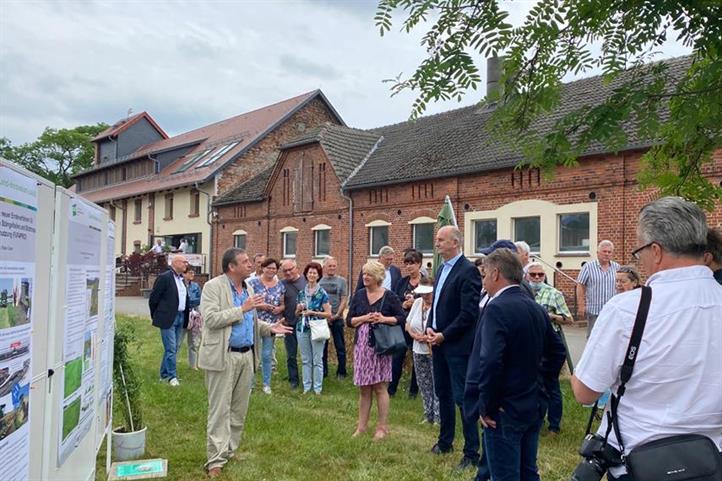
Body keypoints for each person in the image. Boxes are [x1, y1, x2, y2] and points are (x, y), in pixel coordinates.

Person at [572, 196, 722, 481]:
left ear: (656, 250)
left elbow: (584, 392)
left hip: (640, 461)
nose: (638, 260)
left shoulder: (627, 308)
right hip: (710, 459)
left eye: (638, 251)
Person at [466, 249, 566, 481]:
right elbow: (557, 350)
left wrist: (487, 405)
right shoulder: (536, 308)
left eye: (484, 274)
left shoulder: (496, 308)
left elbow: (490, 361)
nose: (483, 281)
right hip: (531, 403)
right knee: (528, 472)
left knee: (506, 474)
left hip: (504, 409)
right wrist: (543, 386)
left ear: (496, 273)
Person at [199, 248, 291, 478]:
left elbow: (252, 321)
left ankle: (229, 450)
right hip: (224, 355)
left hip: (246, 355)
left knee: (239, 409)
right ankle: (215, 460)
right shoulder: (213, 287)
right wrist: (242, 308)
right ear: (232, 266)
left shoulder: (247, 288)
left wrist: (269, 328)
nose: (251, 264)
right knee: (220, 409)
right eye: (245, 261)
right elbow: (210, 320)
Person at [426, 226, 482, 471]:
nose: (436, 243)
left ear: (455, 243)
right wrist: (430, 327)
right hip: (438, 342)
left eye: (440, 239)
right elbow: (437, 303)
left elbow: (468, 313)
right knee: (443, 394)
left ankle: (471, 452)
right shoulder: (441, 268)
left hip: (457, 345)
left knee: (463, 397)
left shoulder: (468, 271)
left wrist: (444, 335)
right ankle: (445, 441)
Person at [347, 260, 405, 440]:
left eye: (369, 274)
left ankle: (382, 427)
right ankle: (361, 427)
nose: (365, 277)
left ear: (378, 277)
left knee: (380, 387)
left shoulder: (390, 296)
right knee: (364, 389)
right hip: (362, 347)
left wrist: (383, 318)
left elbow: (401, 318)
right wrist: (364, 317)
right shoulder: (358, 295)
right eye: (364, 273)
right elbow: (349, 321)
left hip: (381, 347)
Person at [526, 262, 573, 436]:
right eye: (533, 275)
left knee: (551, 384)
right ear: (526, 276)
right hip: (530, 342)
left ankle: (554, 425)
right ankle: (536, 420)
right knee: (533, 383)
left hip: (549, 342)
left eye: (540, 274)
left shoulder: (554, 294)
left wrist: (550, 316)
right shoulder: (525, 292)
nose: (537, 278)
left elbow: (569, 319)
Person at [148, 255, 189, 386]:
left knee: (174, 347)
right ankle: (172, 376)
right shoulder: (164, 278)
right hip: (168, 317)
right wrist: (156, 315)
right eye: (183, 262)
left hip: (180, 316)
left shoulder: (181, 280)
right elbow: (154, 298)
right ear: (175, 263)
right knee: (171, 348)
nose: (185, 265)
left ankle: (164, 374)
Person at [247, 258, 285, 394]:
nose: (271, 270)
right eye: (268, 268)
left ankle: (266, 384)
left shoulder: (280, 285)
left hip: (271, 324)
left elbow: (282, 303)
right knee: (252, 353)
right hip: (254, 322)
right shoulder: (252, 283)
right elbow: (247, 302)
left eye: (274, 268)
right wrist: (261, 306)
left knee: (267, 354)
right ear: (262, 268)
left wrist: (279, 309)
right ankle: (250, 384)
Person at [405, 278, 440, 425]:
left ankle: (439, 416)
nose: (425, 296)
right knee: (423, 382)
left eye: (428, 294)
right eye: (423, 293)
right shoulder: (418, 303)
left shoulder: (439, 305)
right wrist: (414, 335)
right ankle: (428, 414)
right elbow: (407, 323)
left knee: (437, 383)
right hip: (417, 349)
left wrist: (427, 338)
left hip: (434, 349)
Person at [390, 249, 422, 398]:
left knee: (417, 359)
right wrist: (403, 304)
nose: (409, 267)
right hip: (402, 324)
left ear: (419, 264)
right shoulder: (401, 282)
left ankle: (413, 392)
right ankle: (391, 390)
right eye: (406, 263)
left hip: (418, 325)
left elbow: (431, 300)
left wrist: (416, 303)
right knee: (397, 357)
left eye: (412, 263)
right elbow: (394, 300)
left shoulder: (426, 282)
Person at [296, 262, 332, 394]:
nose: (312, 275)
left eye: (314, 273)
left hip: (317, 328)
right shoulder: (301, 293)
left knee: (317, 360)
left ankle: (317, 388)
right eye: (310, 272)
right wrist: (299, 309)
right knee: (306, 360)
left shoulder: (322, 293)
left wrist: (314, 313)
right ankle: (306, 387)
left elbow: (328, 314)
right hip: (302, 328)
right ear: (306, 274)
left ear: (318, 276)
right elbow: (297, 313)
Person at [576, 240, 619, 338]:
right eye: (604, 251)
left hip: (612, 310)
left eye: (609, 252)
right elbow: (580, 286)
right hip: (594, 310)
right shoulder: (588, 267)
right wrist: (581, 305)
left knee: (610, 337)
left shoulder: (617, 267)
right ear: (598, 253)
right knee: (593, 337)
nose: (607, 254)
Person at [319, 256, 348, 379]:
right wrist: (325, 316)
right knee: (323, 347)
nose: (332, 268)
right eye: (329, 266)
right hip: (323, 318)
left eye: (334, 266)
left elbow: (344, 298)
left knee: (340, 346)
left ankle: (341, 371)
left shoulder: (341, 281)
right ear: (324, 267)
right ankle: (323, 371)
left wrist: (337, 314)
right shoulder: (319, 281)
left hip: (337, 318)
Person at [280, 259, 304, 390]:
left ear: (297, 268)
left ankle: (309, 380)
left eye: (290, 269)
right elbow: (278, 303)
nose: (288, 272)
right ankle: (293, 380)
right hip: (289, 324)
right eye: (285, 271)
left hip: (305, 324)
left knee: (307, 355)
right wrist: (281, 317)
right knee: (291, 355)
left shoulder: (306, 282)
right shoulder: (281, 284)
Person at [181, 267, 202, 370]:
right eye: (190, 272)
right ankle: (172, 365)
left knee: (194, 341)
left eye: (193, 272)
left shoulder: (195, 286)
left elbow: (198, 299)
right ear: (184, 274)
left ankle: (193, 365)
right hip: (183, 316)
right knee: (178, 341)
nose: (192, 274)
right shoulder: (180, 285)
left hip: (194, 316)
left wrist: (189, 301)